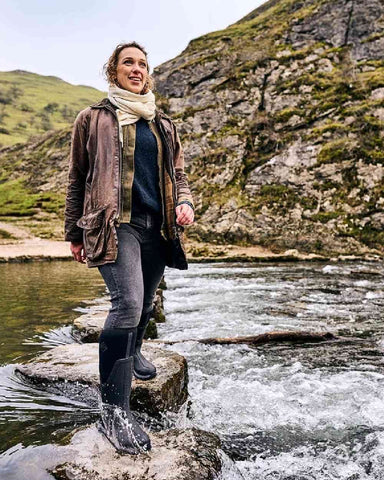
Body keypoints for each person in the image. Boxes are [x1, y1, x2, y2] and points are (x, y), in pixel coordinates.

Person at [64, 41, 195, 455]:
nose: (136, 69)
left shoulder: (163, 124)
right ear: (114, 71)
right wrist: (73, 233)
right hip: (114, 225)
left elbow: (178, 173)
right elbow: (76, 178)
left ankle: (135, 350)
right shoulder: (92, 119)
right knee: (127, 304)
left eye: (142, 63)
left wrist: (185, 202)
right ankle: (114, 413)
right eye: (127, 63)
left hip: (157, 228)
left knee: (145, 303)